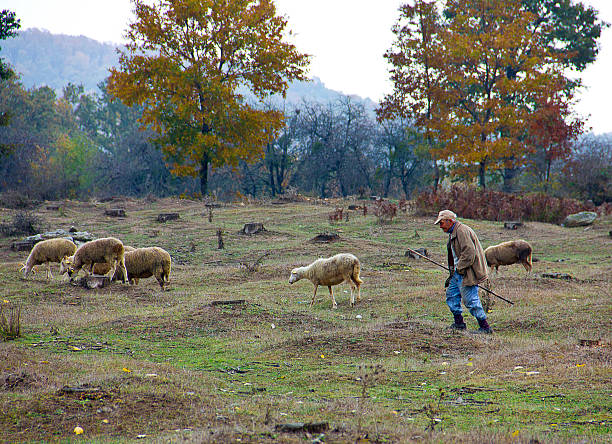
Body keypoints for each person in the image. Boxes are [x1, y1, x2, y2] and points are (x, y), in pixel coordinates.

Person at [433, 210, 492, 334]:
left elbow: (469, 254)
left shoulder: (461, 231)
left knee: (471, 300)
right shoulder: (454, 231)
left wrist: (459, 269)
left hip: (466, 272)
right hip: (458, 272)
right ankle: (459, 323)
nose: (440, 226)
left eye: (442, 223)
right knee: (452, 296)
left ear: (450, 221)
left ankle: (485, 327)